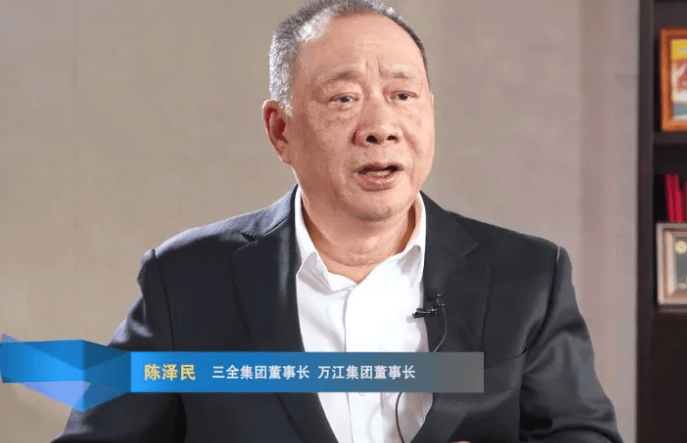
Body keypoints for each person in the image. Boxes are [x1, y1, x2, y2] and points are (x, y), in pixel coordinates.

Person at [52, 0, 622, 442]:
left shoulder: (528, 275)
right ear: (281, 131)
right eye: (344, 99)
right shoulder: (186, 279)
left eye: (403, 94)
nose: (381, 127)